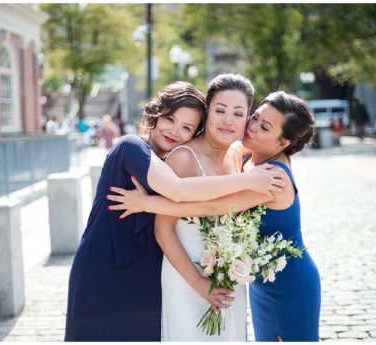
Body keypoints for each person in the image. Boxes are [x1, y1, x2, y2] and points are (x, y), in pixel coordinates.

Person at [64, 81, 286, 341]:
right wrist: (248, 181)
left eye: (187, 127)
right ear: (156, 115)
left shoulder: (169, 159)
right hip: (104, 265)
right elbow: (179, 190)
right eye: (170, 119)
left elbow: (207, 198)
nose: (175, 131)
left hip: (145, 271)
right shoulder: (131, 147)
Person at [108, 91, 320, 341]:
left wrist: (147, 203)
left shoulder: (275, 178)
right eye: (254, 117)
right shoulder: (249, 158)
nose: (250, 126)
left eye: (264, 127)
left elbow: (211, 207)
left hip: (290, 284)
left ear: (283, 143)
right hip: (259, 284)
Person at [154, 74, 257, 341]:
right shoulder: (184, 158)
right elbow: (162, 230)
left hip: (229, 275)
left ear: (247, 117)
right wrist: (200, 284)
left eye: (238, 113)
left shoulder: (237, 154)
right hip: (186, 274)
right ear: (207, 111)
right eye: (220, 110)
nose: (228, 120)